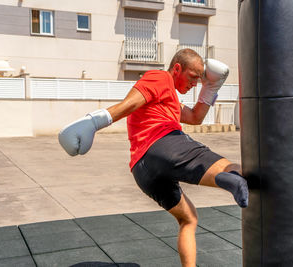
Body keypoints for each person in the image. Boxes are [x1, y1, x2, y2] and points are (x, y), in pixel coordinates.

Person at [58, 49, 249, 267]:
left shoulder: (167, 99)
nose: (195, 84)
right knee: (235, 168)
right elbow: (130, 103)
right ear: (177, 68)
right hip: (164, 144)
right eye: (193, 77)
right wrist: (94, 122)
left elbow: (195, 117)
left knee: (188, 218)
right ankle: (228, 179)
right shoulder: (160, 78)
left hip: (142, 170)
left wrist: (210, 88)